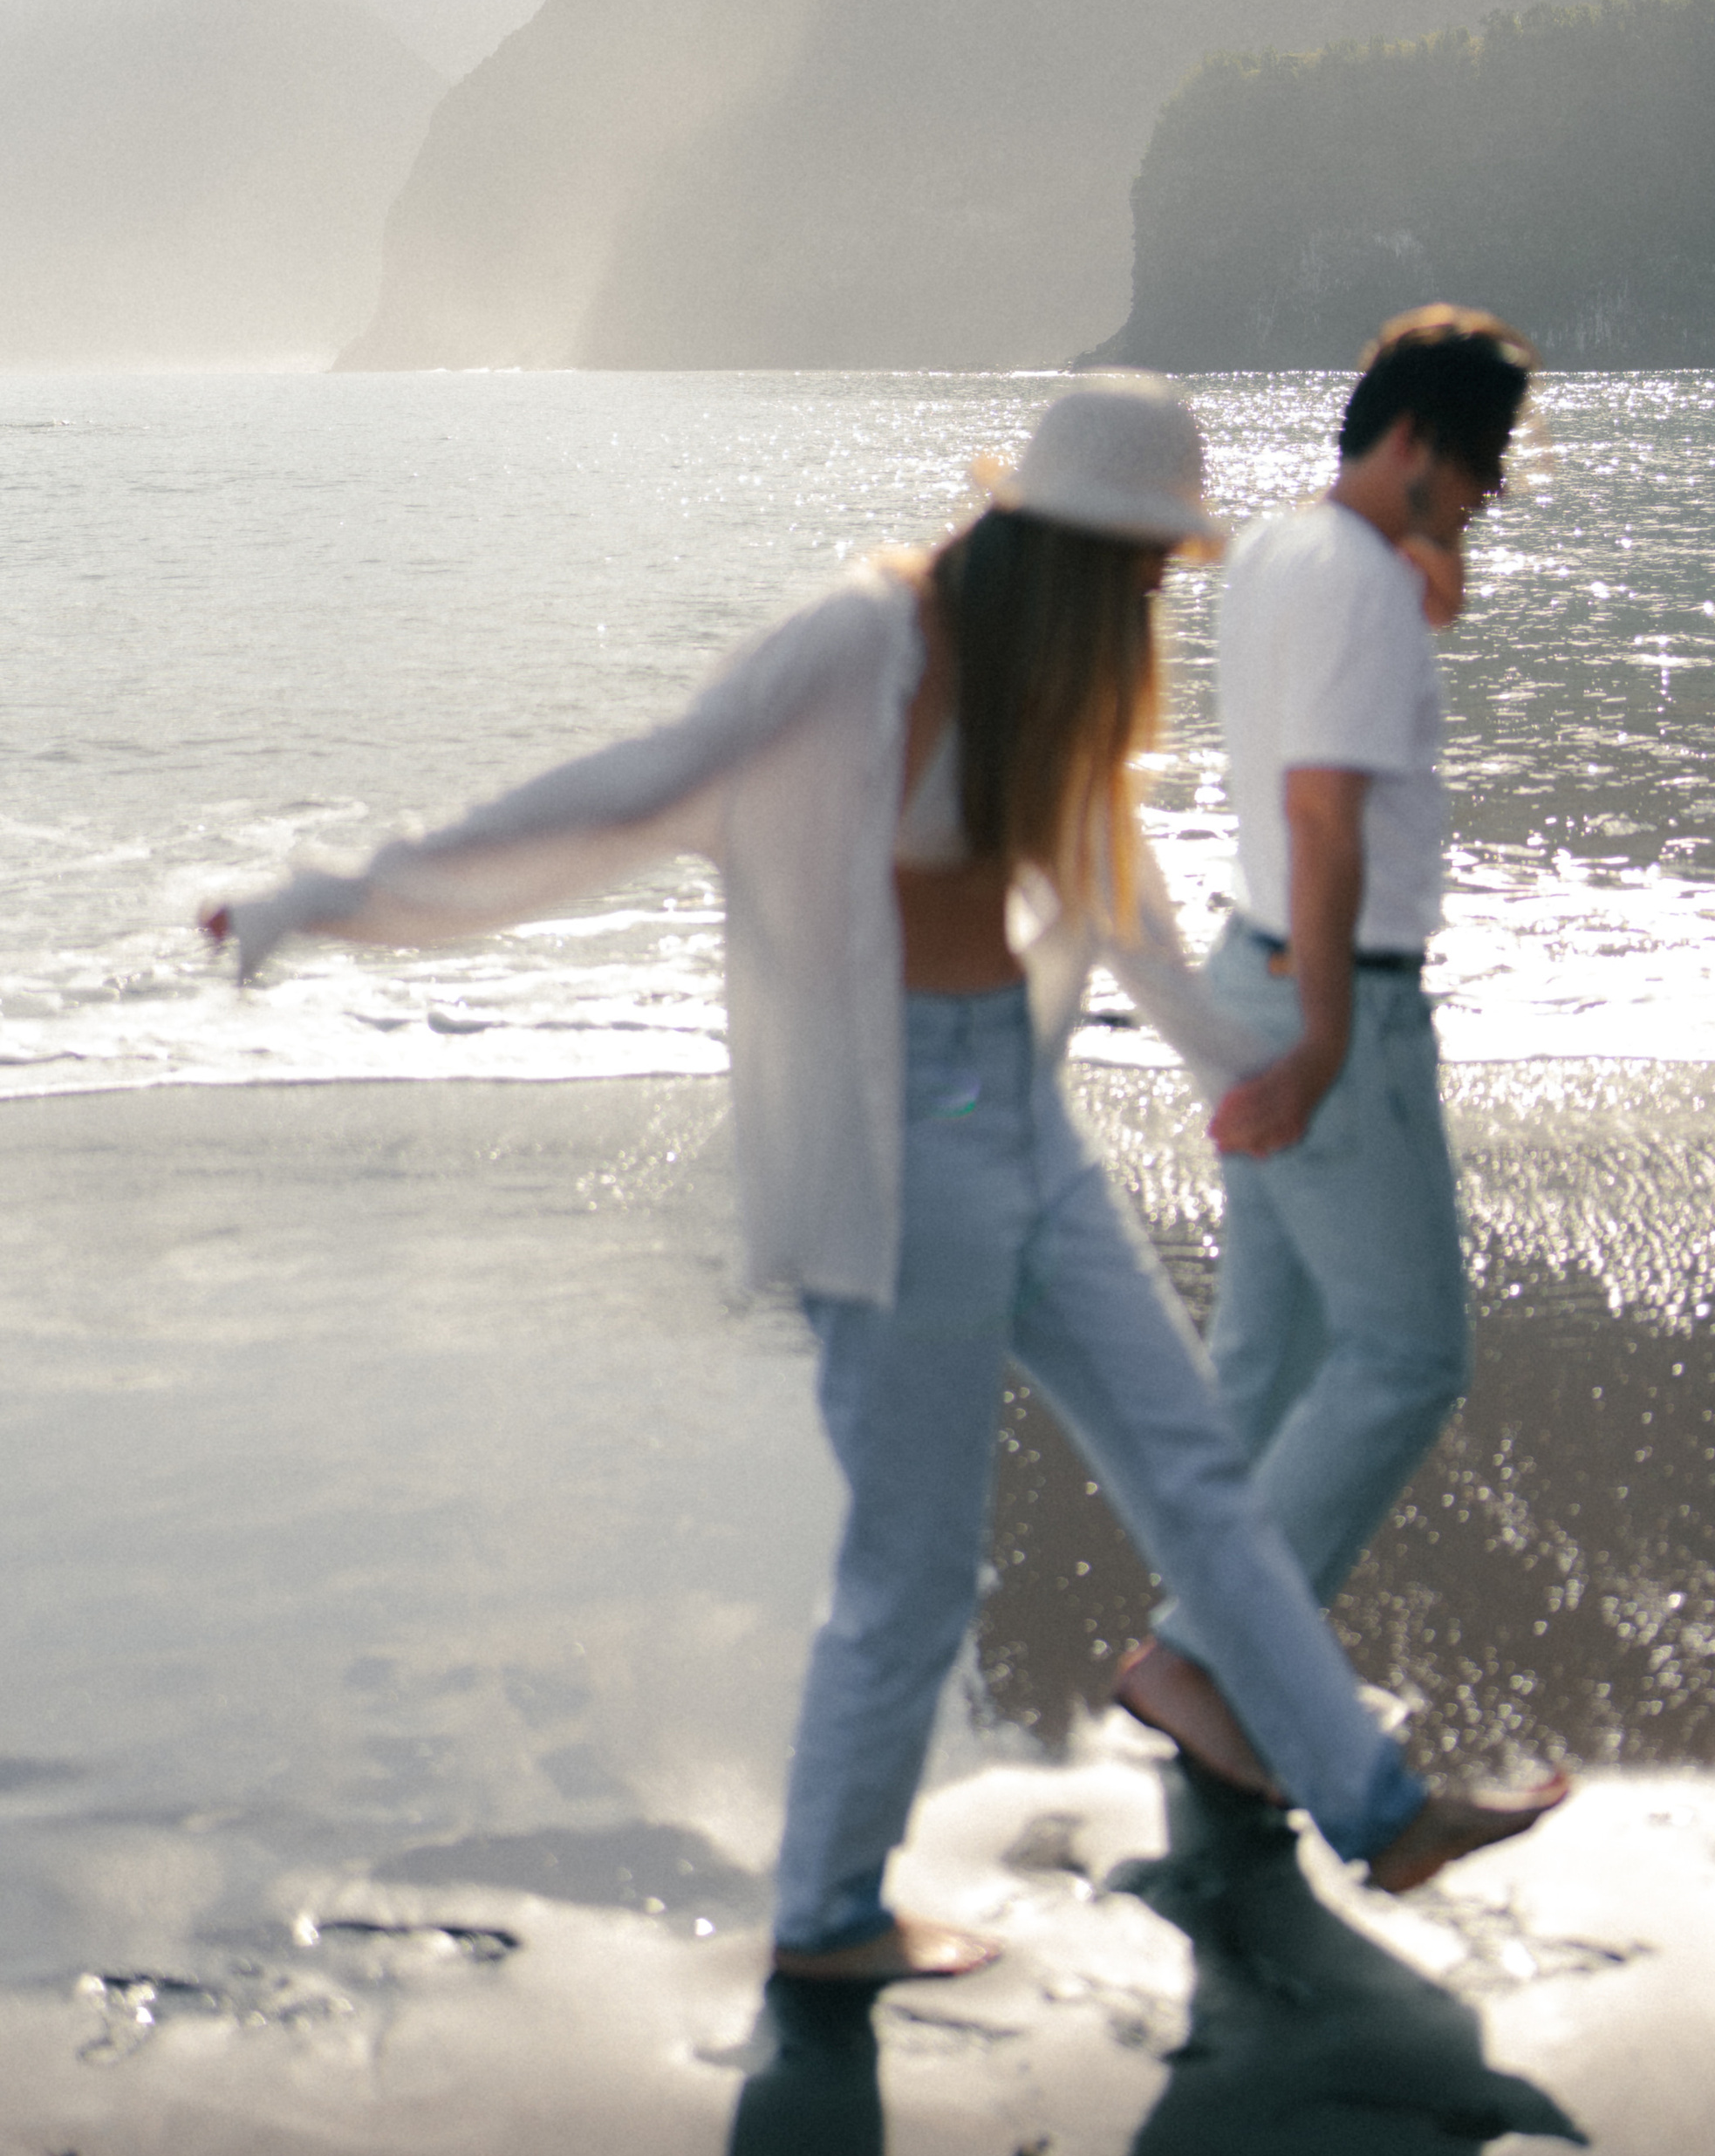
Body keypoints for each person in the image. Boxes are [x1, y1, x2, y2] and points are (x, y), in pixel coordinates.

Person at [205, 374, 1562, 1986]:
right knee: (917, 1563)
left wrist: (1223, 1064)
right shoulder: (864, 641)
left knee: (1194, 1466)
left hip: (1019, 1114)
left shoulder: (1040, 668)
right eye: (1140, 561)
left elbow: (1107, 878)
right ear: (1063, 540)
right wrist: (330, 899)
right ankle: (831, 1917)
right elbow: (639, 782)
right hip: (892, 1136)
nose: (1153, 592)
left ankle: (1377, 1808)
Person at [1115, 312, 1538, 1795]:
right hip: (1329, 986)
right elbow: (1323, 815)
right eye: (1479, 471)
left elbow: (1429, 614)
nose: (1486, 500)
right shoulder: (1357, 584)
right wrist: (1328, 1047)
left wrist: (1441, 546)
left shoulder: (1292, 550)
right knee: (1409, 1357)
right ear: (1415, 442)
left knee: (1273, 1358)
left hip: (1256, 966)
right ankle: (1206, 1655)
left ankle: (1212, 1689)